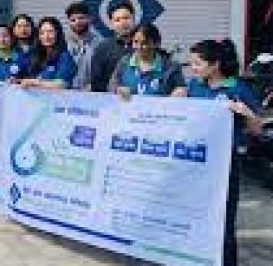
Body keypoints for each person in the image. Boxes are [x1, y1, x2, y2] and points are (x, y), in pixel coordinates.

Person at [186, 39, 263, 266]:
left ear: (215, 65)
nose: (193, 69)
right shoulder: (194, 87)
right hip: (197, 162)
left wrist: (246, 113)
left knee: (223, 221)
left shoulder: (238, 89)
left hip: (226, 165)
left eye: (198, 64)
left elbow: (257, 129)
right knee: (197, 216)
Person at [109, 24, 186, 98]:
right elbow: (112, 85)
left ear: (156, 43)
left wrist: (179, 92)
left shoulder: (172, 67)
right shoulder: (124, 62)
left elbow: (181, 89)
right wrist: (118, 89)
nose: (139, 47)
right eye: (135, 42)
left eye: (144, 43)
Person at [20, 17, 77, 89]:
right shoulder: (35, 55)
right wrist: (17, 81)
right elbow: (26, 77)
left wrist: (35, 82)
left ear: (58, 34)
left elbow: (61, 85)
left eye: (50, 32)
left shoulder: (64, 57)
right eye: (42, 33)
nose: (46, 36)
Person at [90, 2, 135, 92]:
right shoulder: (103, 48)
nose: (123, 22)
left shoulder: (144, 46)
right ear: (111, 24)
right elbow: (96, 82)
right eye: (117, 20)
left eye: (126, 18)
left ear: (133, 19)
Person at [65, 2, 101, 90]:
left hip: (92, 93)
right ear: (68, 22)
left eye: (81, 18)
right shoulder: (63, 44)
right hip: (66, 92)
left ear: (89, 19)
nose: (77, 22)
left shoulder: (100, 43)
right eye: (73, 20)